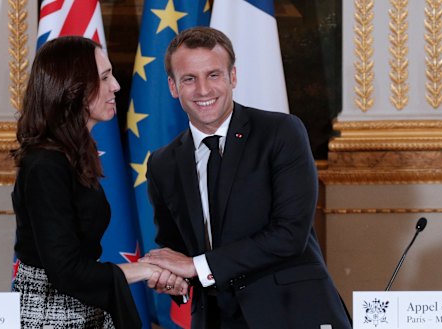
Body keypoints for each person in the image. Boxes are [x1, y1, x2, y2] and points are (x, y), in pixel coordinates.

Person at [140, 27, 352, 329]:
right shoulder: (163, 163)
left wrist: (195, 266)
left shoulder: (281, 132)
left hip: (292, 314)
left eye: (213, 75)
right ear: (173, 86)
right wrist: (174, 280)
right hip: (214, 320)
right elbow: (177, 251)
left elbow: (289, 234)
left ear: (233, 77)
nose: (203, 90)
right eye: (189, 79)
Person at [10, 36, 188, 329]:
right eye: (104, 78)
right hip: (52, 318)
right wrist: (145, 269)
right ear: (73, 88)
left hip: (82, 310)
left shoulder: (71, 156)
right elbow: (66, 271)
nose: (116, 86)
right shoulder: (45, 166)